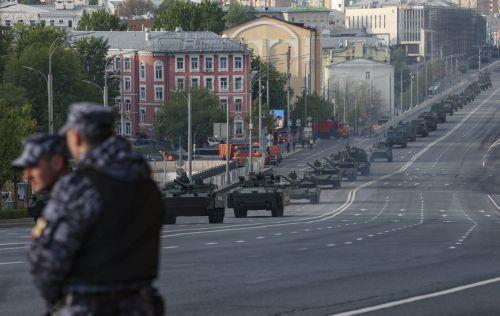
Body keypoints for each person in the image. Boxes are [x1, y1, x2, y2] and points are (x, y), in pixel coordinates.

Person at [27, 102, 165, 315]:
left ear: (77, 137)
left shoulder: (79, 186)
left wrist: (60, 301)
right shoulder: (144, 182)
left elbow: (46, 264)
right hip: (140, 306)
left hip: (89, 307)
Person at [11, 134, 70, 222]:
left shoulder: (77, 205)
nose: (26, 176)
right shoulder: (56, 204)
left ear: (57, 163)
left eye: (33, 167)